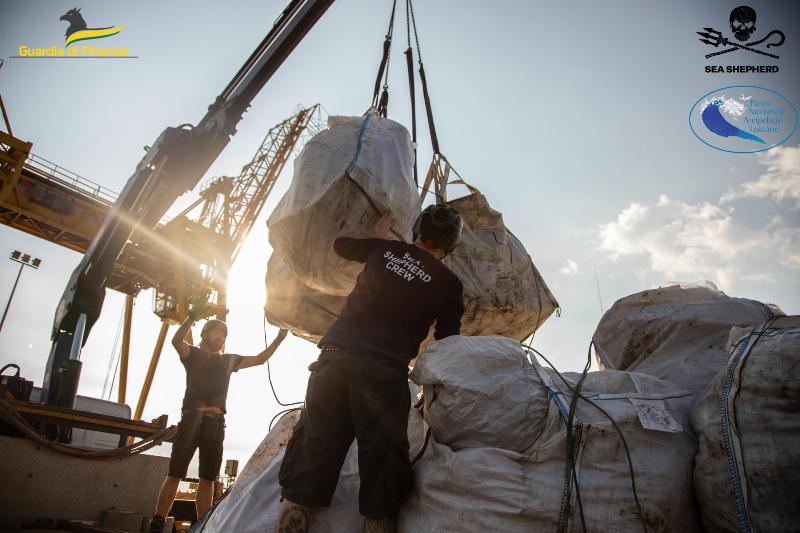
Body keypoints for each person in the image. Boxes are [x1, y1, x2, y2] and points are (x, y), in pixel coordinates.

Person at [277, 204, 465, 533]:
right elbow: (448, 341)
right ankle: (377, 521)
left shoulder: (384, 249)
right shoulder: (448, 284)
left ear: (418, 230)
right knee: (383, 454)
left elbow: (341, 245)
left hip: (332, 361)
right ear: (450, 245)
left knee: (315, 441)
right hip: (382, 372)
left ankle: (295, 510)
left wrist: (378, 237)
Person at [148, 313, 288, 533]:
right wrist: (190, 318)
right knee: (175, 473)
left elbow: (260, 359)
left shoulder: (228, 360)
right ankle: (158, 521)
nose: (221, 337)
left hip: (215, 425)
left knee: (207, 478)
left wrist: (279, 339)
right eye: (216, 333)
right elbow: (176, 341)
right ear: (205, 335)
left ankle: (202, 525)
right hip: (191, 420)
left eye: (224, 334)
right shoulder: (193, 355)